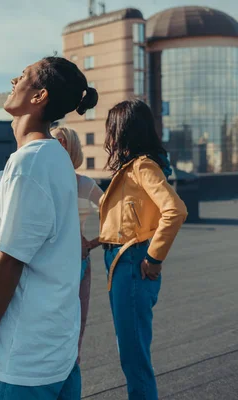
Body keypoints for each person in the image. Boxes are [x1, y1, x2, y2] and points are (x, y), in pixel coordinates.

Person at [0, 57, 98, 399]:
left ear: (38, 97)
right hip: (56, 350)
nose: (12, 81)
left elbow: (10, 262)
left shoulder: (29, 164)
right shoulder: (50, 157)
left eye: (22, 77)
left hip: (26, 362)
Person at [100, 100, 187, 399]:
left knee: (134, 357)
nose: (107, 138)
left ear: (123, 131)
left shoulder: (142, 167)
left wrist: (154, 257)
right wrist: (97, 241)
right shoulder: (130, 169)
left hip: (133, 263)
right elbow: (127, 220)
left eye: (111, 130)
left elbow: (174, 210)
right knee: (131, 352)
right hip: (120, 262)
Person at [53, 127, 103, 363]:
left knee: (72, 329)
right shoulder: (40, 181)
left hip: (72, 263)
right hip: (57, 263)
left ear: (63, 145)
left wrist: (92, 243)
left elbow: (119, 216)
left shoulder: (86, 185)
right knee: (62, 328)